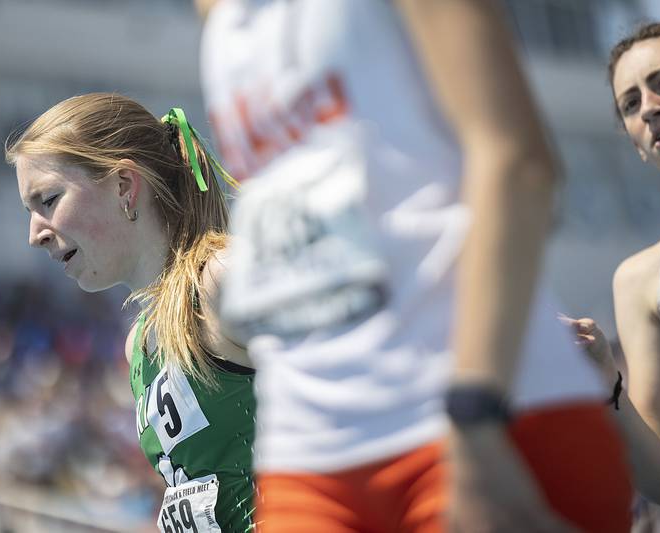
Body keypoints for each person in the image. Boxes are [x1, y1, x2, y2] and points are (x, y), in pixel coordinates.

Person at [197, 0, 633, 531]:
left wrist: (475, 418)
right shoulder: (220, 22)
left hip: (478, 417)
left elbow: (519, 164)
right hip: (306, 449)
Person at [5, 93, 256, 532]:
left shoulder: (221, 279)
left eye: (47, 200)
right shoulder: (138, 346)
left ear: (123, 184)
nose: (34, 235)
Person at [563, 21, 660, 508]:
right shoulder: (640, 279)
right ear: (634, 143)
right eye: (630, 103)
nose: (649, 107)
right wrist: (606, 379)